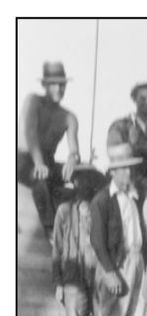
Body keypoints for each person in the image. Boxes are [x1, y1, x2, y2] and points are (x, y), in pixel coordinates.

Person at [88, 143, 147, 316]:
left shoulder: (136, 198)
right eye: (123, 170)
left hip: (137, 260)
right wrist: (110, 271)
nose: (128, 174)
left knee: (140, 315)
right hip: (116, 262)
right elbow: (97, 240)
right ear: (113, 172)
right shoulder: (102, 200)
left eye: (130, 169)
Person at [49, 164, 97, 316]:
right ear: (75, 183)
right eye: (80, 180)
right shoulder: (64, 211)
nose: (85, 184)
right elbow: (57, 249)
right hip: (73, 277)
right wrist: (58, 282)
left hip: (96, 277)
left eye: (89, 179)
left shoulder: (99, 210)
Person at [20, 61, 81, 231]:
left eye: (62, 85)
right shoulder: (33, 101)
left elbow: (74, 149)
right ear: (44, 85)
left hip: (48, 162)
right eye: (53, 84)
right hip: (22, 159)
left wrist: (72, 159)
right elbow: (30, 134)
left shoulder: (69, 117)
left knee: (88, 176)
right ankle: (51, 231)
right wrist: (39, 163)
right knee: (40, 179)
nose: (58, 89)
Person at [106, 79, 147, 199]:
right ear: (134, 99)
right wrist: (132, 144)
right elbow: (114, 158)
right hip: (125, 186)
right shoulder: (120, 125)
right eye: (143, 98)